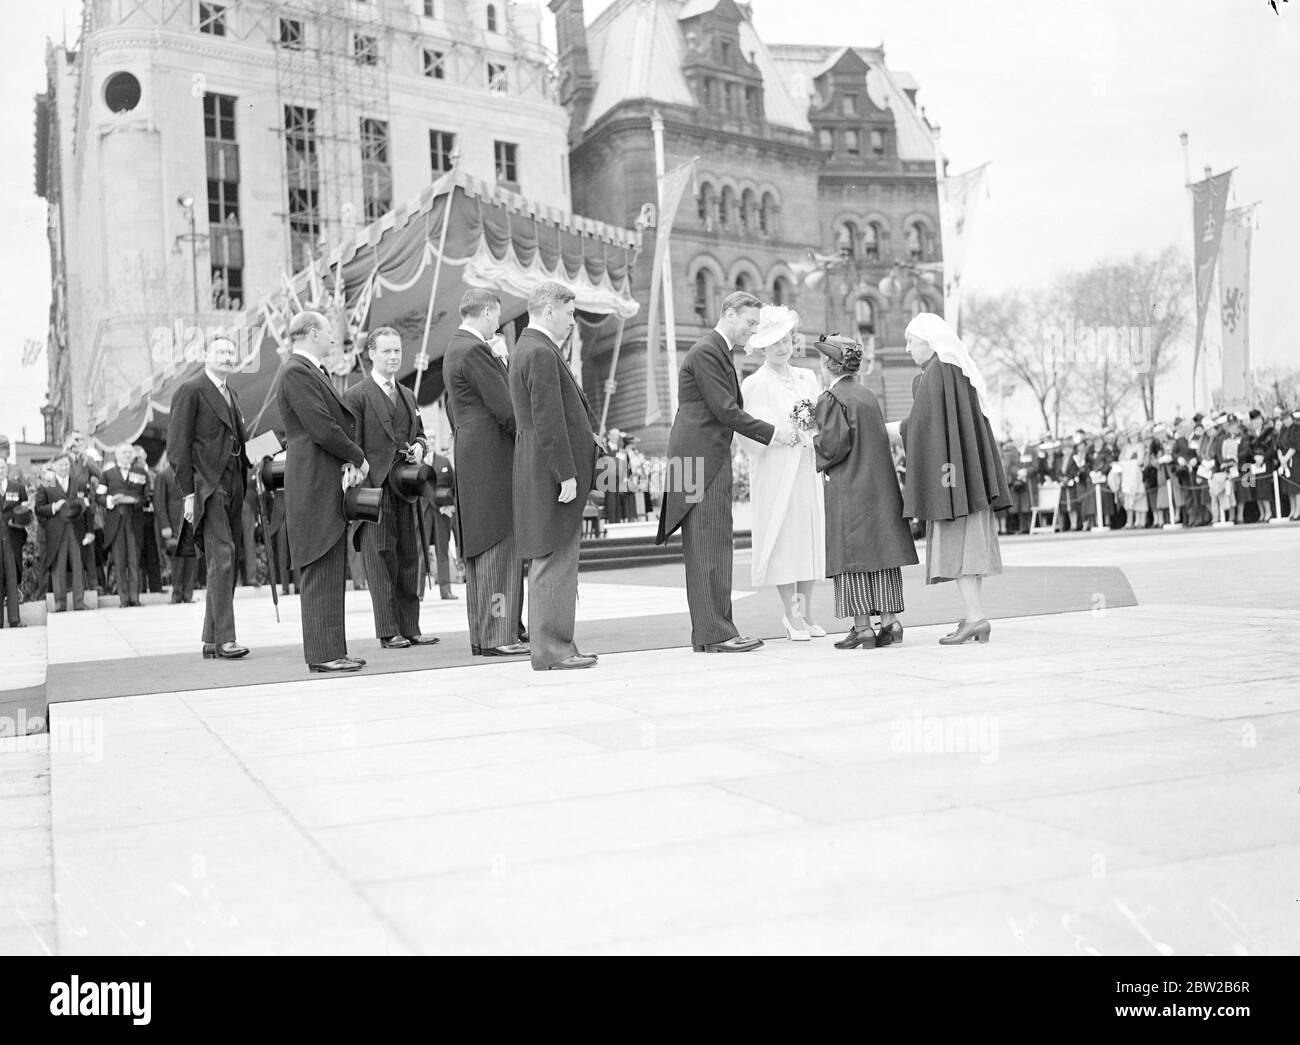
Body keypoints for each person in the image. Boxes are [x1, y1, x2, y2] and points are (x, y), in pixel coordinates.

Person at [656, 291, 796, 653]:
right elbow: (726, 410)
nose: (753, 331)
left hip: (700, 457)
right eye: (750, 323)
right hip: (698, 459)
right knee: (709, 546)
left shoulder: (716, 351)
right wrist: (773, 433)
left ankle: (713, 631)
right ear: (730, 314)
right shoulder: (707, 351)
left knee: (712, 545)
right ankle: (715, 633)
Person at [889, 313, 1010, 644]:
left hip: (952, 484)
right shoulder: (958, 369)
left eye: (911, 342)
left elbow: (924, 426)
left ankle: (974, 617)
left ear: (929, 342)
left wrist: (888, 430)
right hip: (969, 479)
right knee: (971, 551)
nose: (907, 348)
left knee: (958, 550)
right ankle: (975, 616)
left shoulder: (936, 373)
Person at [509, 281, 601, 671]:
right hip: (550, 471)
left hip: (539, 466)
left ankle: (560, 644)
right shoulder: (541, 352)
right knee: (554, 558)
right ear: (549, 310)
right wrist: (566, 473)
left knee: (557, 558)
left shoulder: (531, 347)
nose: (572, 321)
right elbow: (549, 418)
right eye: (568, 313)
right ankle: (551, 649)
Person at [275, 310, 369, 673]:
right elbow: (322, 426)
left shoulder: (310, 370)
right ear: (312, 333)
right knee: (318, 562)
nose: (334, 337)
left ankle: (334, 649)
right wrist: (358, 457)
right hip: (312, 476)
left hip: (322, 473)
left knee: (331, 562)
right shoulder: (296, 370)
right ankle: (322, 652)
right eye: (330, 331)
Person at [812, 335, 917, 649]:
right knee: (882, 553)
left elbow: (834, 446)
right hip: (880, 485)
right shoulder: (868, 395)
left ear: (826, 365)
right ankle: (890, 623)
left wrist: (812, 441)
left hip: (850, 487)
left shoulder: (831, 398)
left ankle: (862, 629)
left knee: (853, 556)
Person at [442, 289, 528, 657]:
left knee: (481, 553)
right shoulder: (476, 350)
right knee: (500, 549)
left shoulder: (454, 347)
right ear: (490, 313)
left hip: (473, 456)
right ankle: (499, 634)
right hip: (492, 458)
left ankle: (485, 632)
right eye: (496, 316)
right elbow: (507, 409)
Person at [342, 327, 440, 650]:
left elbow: (422, 434)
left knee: (410, 557)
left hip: (406, 487)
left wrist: (419, 448)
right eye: (387, 351)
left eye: (397, 351)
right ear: (371, 353)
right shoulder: (357, 395)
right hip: (375, 490)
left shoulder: (409, 395)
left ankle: (411, 626)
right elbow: (350, 444)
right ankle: (388, 630)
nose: (394, 357)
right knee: (380, 559)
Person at [734, 305, 826, 640]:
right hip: (776, 472)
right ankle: (791, 615)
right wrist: (779, 433)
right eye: (774, 343)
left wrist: (812, 430)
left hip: (805, 467)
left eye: (786, 340)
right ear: (761, 347)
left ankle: (807, 612)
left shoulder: (807, 377)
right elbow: (746, 431)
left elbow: (822, 416)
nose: (783, 348)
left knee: (807, 541)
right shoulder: (755, 383)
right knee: (786, 543)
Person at [167, 333, 251, 659]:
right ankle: (226, 639)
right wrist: (189, 494)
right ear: (205, 355)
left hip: (234, 482)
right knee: (223, 556)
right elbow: (177, 448)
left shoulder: (231, 393)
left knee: (225, 559)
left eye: (231, 351)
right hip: (208, 485)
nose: (228, 356)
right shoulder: (191, 390)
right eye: (221, 351)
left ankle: (212, 639)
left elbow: (238, 442)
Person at [34, 454, 93, 612]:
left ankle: (79, 602)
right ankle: (60, 604)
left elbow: (88, 508)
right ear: (54, 466)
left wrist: (89, 531)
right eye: (61, 465)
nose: (65, 467)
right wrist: (54, 507)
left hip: (76, 530)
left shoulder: (79, 483)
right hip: (56, 532)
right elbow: (38, 509)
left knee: (78, 565)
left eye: (67, 464)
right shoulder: (46, 484)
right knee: (58, 566)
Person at [98, 443, 148, 607]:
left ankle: (135, 598)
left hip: (134, 521)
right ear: (117, 455)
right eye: (124, 452)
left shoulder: (140, 472)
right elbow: (98, 496)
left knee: (134, 561)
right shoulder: (107, 474)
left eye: (129, 452)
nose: (127, 455)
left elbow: (146, 495)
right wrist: (112, 500)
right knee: (119, 562)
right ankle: (123, 599)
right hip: (116, 523)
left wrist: (134, 500)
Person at [152, 451, 197, 603]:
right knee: (177, 561)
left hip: (191, 523)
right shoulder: (163, 475)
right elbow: (159, 503)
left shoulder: (193, 473)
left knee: (191, 559)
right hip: (173, 524)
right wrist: (165, 525)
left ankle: (188, 594)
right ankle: (177, 594)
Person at [0, 458, 32, 627]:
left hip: (12, 539)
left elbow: (26, 511)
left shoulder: (17, 487)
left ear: (7, 468)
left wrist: (19, 519)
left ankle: (14, 619)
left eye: (2, 467)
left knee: (12, 578)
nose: (0, 470)